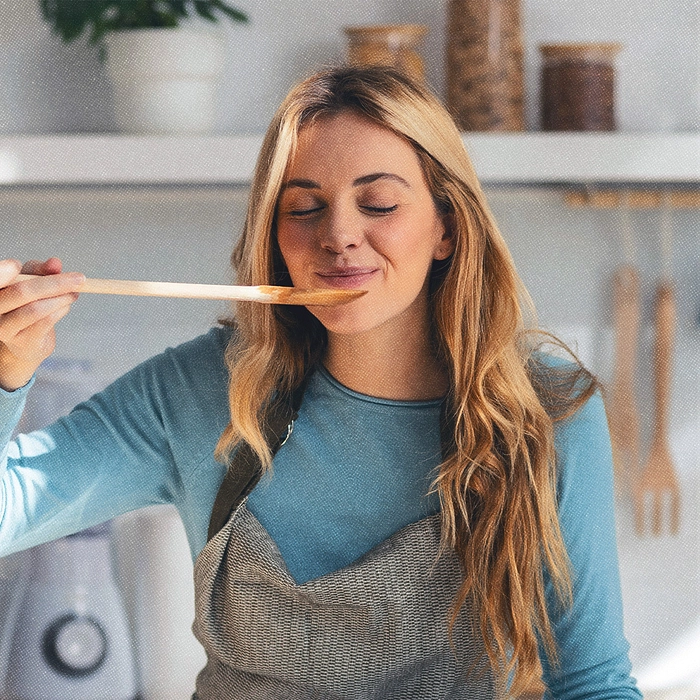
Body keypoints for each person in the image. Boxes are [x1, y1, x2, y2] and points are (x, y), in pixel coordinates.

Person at [0, 66, 641, 699]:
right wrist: (7, 374)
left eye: (379, 204)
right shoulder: (199, 391)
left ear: (446, 226)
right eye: (304, 208)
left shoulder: (545, 407)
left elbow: (592, 682)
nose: (338, 235)